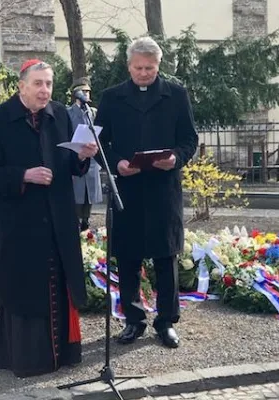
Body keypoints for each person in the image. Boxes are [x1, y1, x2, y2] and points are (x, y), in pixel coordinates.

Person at [0, 59, 98, 378]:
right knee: (25, 288)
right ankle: (29, 359)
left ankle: (63, 354)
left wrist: (82, 158)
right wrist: (23, 175)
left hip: (58, 216)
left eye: (49, 84)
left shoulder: (59, 115)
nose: (45, 90)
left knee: (58, 282)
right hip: (20, 219)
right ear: (22, 85)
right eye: (38, 84)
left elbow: (70, 164)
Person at [94, 36, 198, 349]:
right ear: (129, 66)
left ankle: (166, 321)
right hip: (126, 188)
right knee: (127, 258)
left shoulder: (175, 95)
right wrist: (116, 162)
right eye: (138, 68)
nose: (144, 73)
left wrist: (175, 159)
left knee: (165, 258)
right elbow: (99, 144)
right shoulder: (111, 98)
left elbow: (189, 140)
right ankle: (134, 320)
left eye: (150, 68)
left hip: (163, 189)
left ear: (158, 66)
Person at [67, 77, 103, 231]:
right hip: (76, 158)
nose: (86, 94)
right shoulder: (68, 113)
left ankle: (86, 221)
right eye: (83, 91)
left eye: (88, 91)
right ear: (76, 94)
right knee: (77, 194)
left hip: (92, 160)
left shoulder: (93, 112)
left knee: (90, 194)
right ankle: (75, 222)